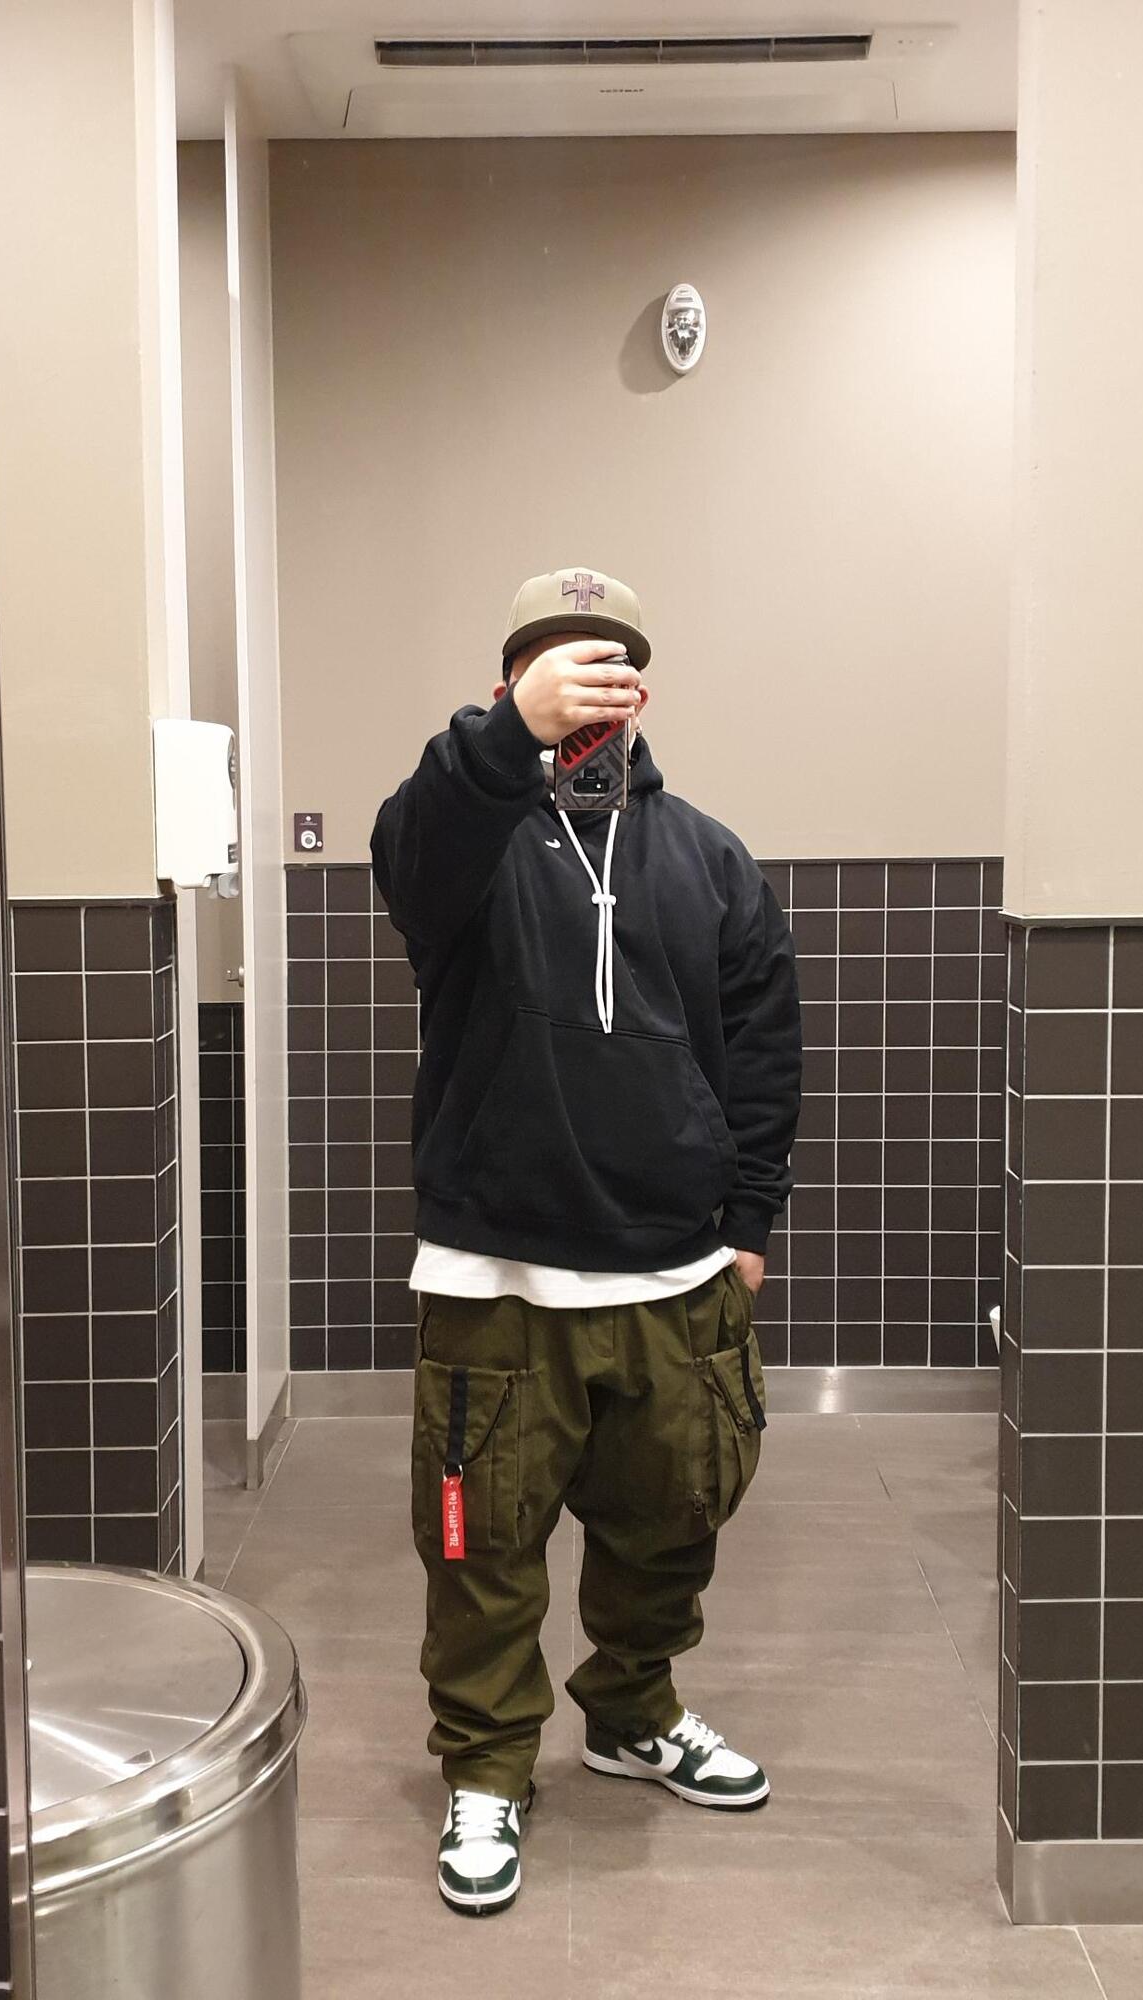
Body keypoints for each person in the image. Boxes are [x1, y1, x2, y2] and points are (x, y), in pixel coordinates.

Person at [371, 566, 802, 1916]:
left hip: (678, 1269)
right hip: (495, 1274)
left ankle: (632, 1714)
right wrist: (506, 740)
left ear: (642, 694)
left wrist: (749, 1224)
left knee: (672, 1523)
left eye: (606, 666)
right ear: (508, 684)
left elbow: (763, 1048)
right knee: (480, 1550)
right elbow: (412, 853)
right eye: (552, 666)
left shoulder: (710, 857)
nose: (582, 689)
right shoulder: (466, 837)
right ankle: (488, 1767)